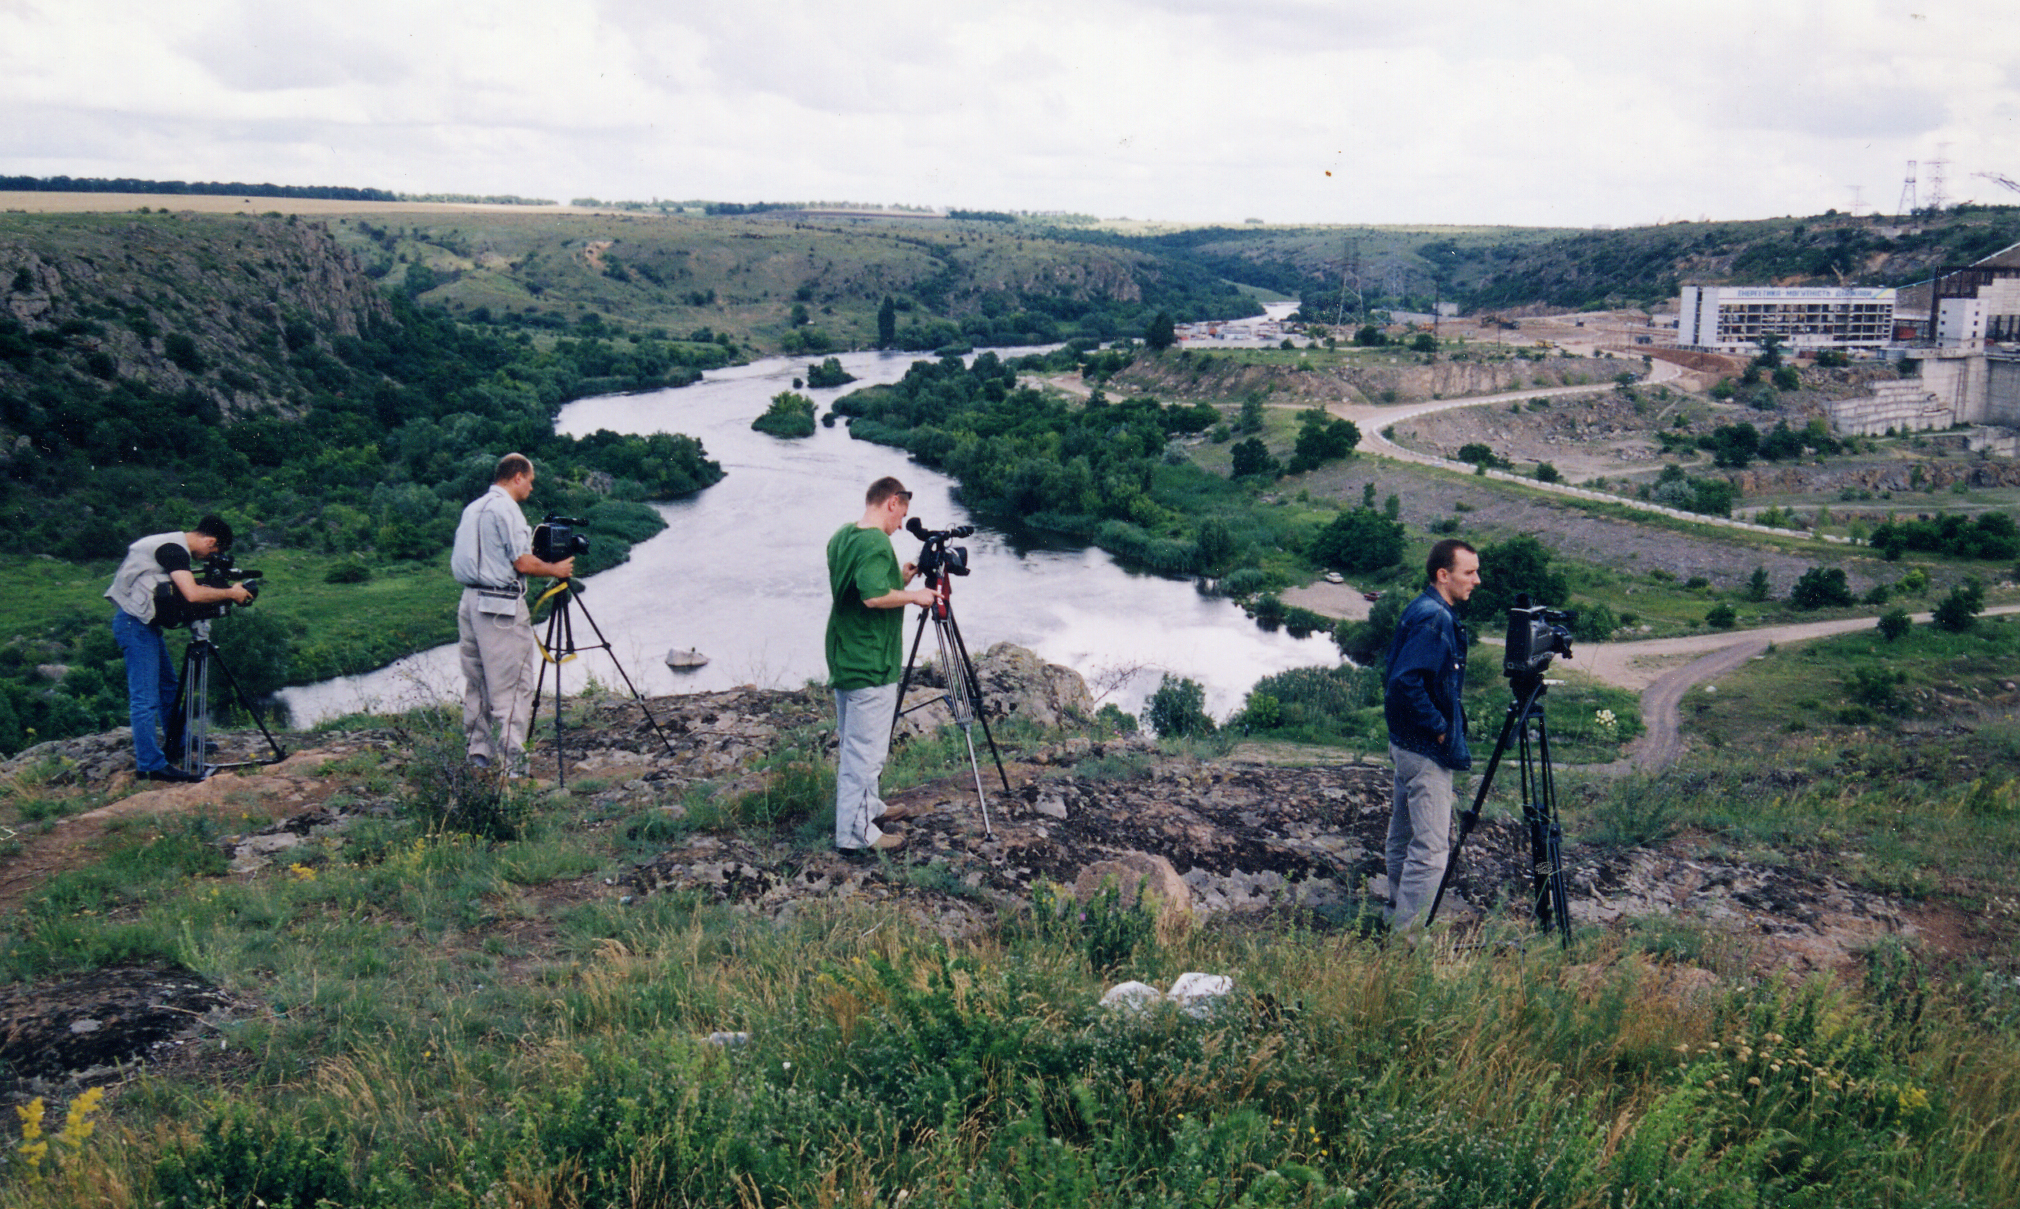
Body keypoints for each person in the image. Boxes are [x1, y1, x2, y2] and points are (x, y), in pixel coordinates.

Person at [825, 477, 939, 854]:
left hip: (846, 654)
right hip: (870, 661)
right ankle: (854, 835)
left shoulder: (844, 536)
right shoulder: (876, 541)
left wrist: (899, 579)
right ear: (892, 502)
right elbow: (873, 598)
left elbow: (859, 586)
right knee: (866, 752)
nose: (901, 525)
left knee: (856, 745)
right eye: (901, 516)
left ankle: (869, 807)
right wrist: (915, 596)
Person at [451, 453, 574, 776]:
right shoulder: (506, 509)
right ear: (517, 476)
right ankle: (514, 767)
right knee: (513, 685)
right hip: (499, 607)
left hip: (470, 602)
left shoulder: (473, 508)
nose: (531, 488)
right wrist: (555, 569)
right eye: (530, 481)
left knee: (477, 681)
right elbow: (522, 562)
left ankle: (478, 753)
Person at [105, 515, 252, 782]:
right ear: (210, 541)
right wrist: (231, 593)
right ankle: (150, 764)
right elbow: (192, 594)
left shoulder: (171, 544)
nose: (208, 558)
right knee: (145, 698)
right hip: (134, 624)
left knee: (169, 686)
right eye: (213, 552)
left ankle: (180, 741)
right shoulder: (173, 550)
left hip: (143, 623)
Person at [1381, 538, 1481, 932]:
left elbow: (1395, 673)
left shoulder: (1422, 607)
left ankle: (1395, 915)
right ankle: (1406, 940)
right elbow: (1405, 682)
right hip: (1424, 750)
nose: (1476, 580)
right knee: (1432, 850)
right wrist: (1439, 729)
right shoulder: (1435, 618)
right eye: (1468, 572)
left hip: (1405, 743)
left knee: (1403, 838)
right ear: (1443, 575)